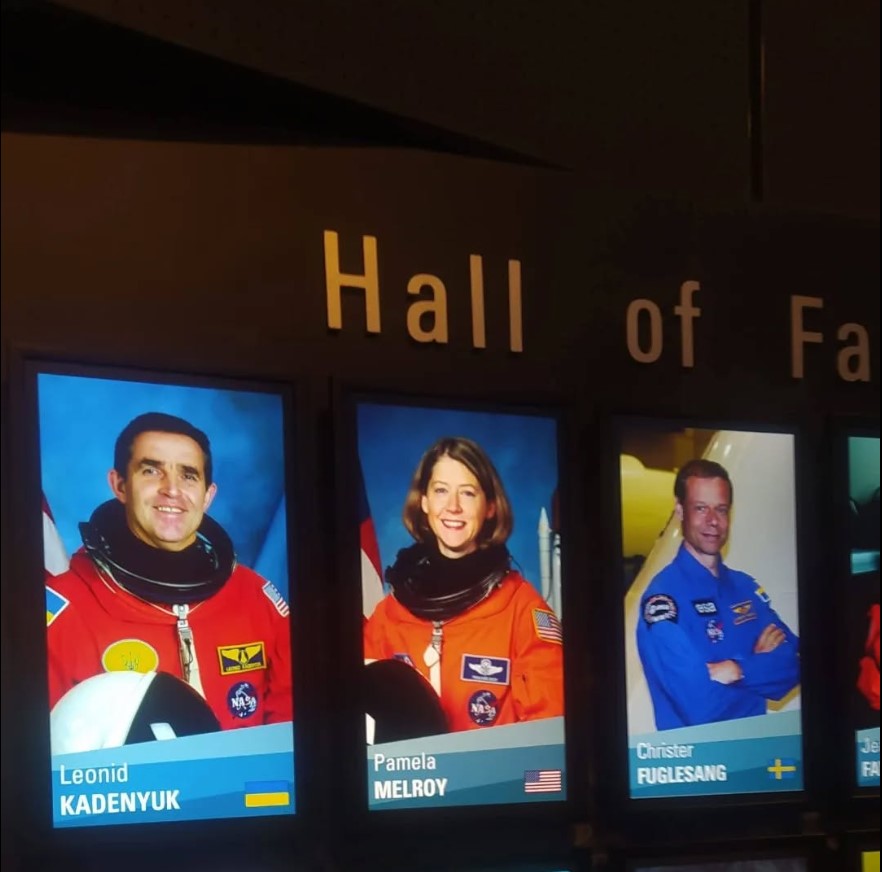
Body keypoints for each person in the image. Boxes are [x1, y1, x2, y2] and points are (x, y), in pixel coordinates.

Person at [45, 412, 293, 731]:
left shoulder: (255, 599)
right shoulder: (64, 614)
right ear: (119, 485)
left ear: (208, 495)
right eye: (151, 470)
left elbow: (290, 732)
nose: (172, 489)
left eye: (188, 475)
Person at [363, 436, 564, 733]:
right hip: (410, 766)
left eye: (468, 493)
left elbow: (549, 737)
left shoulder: (521, 611)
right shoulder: (388, 616)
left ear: (490, 507)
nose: (453, 506)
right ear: (424, 502)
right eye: (441, 491)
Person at [637, 458, 800, 730]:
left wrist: (737, 669)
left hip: (757, 750)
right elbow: (701, 708)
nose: (712, 521)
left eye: (721, 509)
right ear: (680, 510)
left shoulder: (745, 588)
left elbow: (794, 665)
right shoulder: (664, 601)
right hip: (701, 754)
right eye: (701, 508)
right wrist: (759, 668)